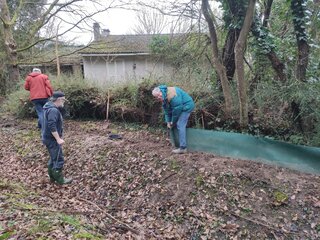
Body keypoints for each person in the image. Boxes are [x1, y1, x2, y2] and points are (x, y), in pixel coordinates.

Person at [152, 85, 195, 154]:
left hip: (187, 106)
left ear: (160, 91)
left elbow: (176, 111)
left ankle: (183, 148)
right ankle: (176, 142)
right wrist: (168, 121)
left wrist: (173, 122)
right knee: (174, 123)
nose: (158, 97)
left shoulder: (172, 95)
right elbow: (167, 111)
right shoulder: (163, 96)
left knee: (180, 124)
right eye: (156, 97)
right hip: (179, 107)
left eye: (158, 95)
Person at [42, 91, 72, 184]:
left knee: (53, 158)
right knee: (59, 159)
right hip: (52, 139)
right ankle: (60, 180)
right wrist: (58, 139)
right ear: (59, 100)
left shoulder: (47, 107)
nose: (63, 102)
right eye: (63, 100)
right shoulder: (53, 110)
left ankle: (52, 177)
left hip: (47, 138)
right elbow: (52, 125)